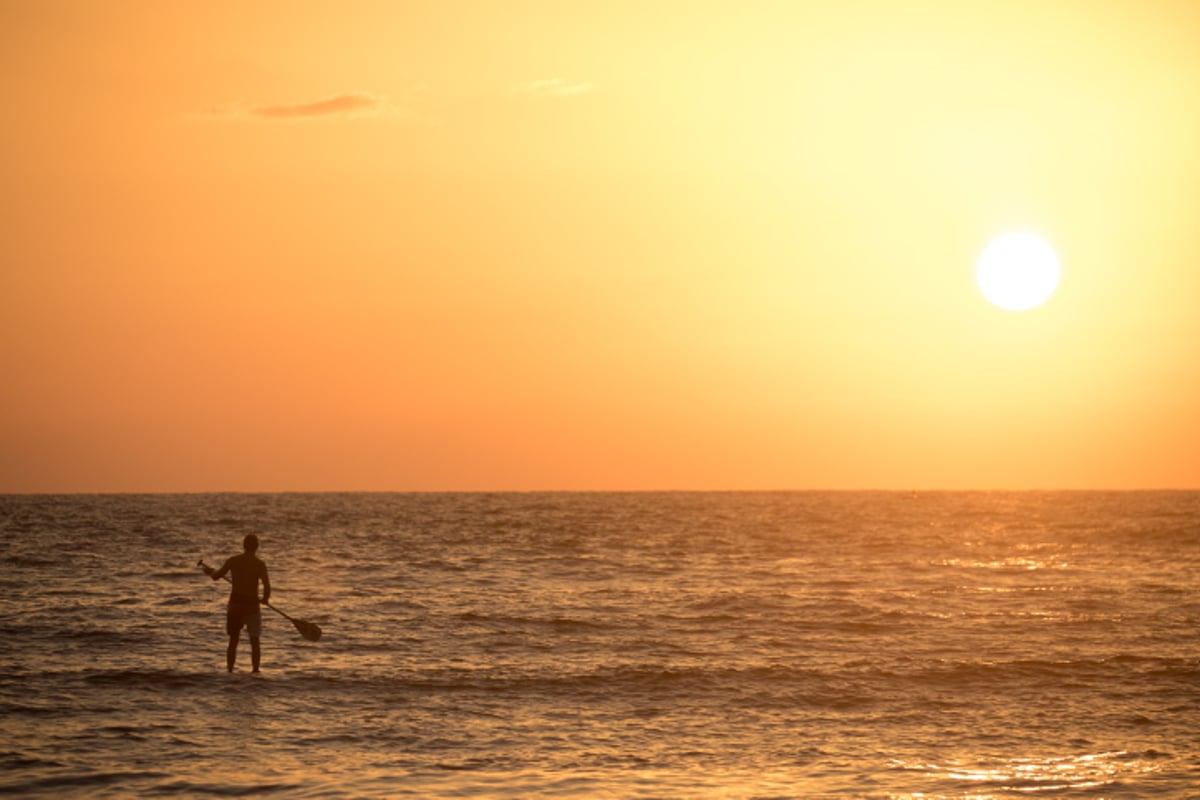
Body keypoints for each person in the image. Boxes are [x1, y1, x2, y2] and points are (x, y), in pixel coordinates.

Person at [205, 534, 271, 673]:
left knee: (233, 641)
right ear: (257, 547)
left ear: (244, 546)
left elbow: (216, 576)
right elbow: (267, 586)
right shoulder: (260, 565)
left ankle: (230, 671)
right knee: (255, 642)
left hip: (235, 605)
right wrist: (265, 599)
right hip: (252, 606)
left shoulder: (233, 561)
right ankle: (255, 671)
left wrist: (209, 572)